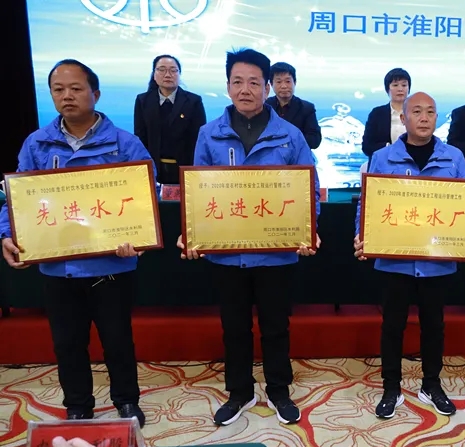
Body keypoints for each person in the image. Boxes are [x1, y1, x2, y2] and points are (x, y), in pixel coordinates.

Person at [0, 59, 151, 426]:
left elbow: (145, 201)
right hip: (59, 266)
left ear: (95, 94)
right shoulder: (37, 144)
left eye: (76, 88)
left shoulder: (125, 144)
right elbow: (14, 199)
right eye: (58, 89)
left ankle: (126, 401)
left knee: (117, 339)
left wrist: (140, 238)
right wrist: (8, 233)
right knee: (67, 342)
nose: (67, 96)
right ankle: (78, 405)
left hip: (111, 265)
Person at [176, 48, 320, 426]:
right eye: (237, 81)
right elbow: (197, 190)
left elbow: (309, 188)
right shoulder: (209, 134)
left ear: (267, 87)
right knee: (234, 328)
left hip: (275, 254)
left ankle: (278, 389)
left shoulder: (290, 136)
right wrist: (192, 231)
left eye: (254, 82)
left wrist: (308, 229)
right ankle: (240, 391)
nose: (245, 89)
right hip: (227, 254)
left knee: (276, 326)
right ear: (227, 86)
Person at [354, 92, 465, 419]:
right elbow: (367, 204)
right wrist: (361, 235)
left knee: (434, 326)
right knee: (392, 326)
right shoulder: (382, 157)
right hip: (395, 259)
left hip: (436, 260)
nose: (424, 117)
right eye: (417, 111)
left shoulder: (453, 157)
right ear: (404, 118)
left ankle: (431, 384)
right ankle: (391, 387)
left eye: (430, 112)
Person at [133, 54, 206, 185]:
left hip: (184, 170)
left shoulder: (193, 101)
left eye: (173, 70)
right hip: (153, 170)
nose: (168, 74)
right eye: (162, 70)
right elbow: (140, 138)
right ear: (154, 74)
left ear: (179, 74)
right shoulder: (143, 101)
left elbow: (199, 140)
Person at [266, 62, 322, 149]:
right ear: (271, 84)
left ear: (295, 82)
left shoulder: (307, 108)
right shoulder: (265, 106)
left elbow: (315, 140)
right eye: (279, 82)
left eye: (288, 81)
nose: (284, 86)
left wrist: (286, 142)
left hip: (296, 155)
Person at [361, 68, 411, 161]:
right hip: (383, 165)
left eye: (404, 85)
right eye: (395, 85)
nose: (400, 89)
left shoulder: (417, 113)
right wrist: (389, 148)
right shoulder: (377, 114)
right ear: (387, 89)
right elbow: (367, 147)